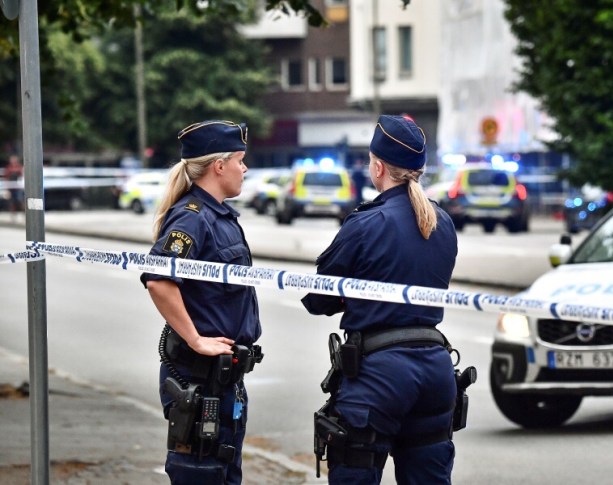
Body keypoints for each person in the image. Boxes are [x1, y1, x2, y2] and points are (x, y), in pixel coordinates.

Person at [302, 115, 466, 484]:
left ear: (377, 167)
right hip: (436, 372)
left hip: (379, 376)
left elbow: (319, 298)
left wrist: (355, 296)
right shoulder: (442, 222)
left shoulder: (365, 223)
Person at [140, 120, 263, 485]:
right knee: (203, 474)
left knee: (223, 474)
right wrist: (195, 339)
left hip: (224, 380)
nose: (245, 168)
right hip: (199, 379)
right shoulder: (192, 217)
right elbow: (159, 279)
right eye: (239, 160)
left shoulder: (220, 217)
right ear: (219, 166)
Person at [5, 154, 23, 220]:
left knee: (20, 201)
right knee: (12, 202)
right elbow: (7, 178)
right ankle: (13, 216)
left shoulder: (19, 167)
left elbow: (21, 176)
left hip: (18, 187)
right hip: (11, 188)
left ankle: (24, 214)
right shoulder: (9, 167)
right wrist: (7, 188)